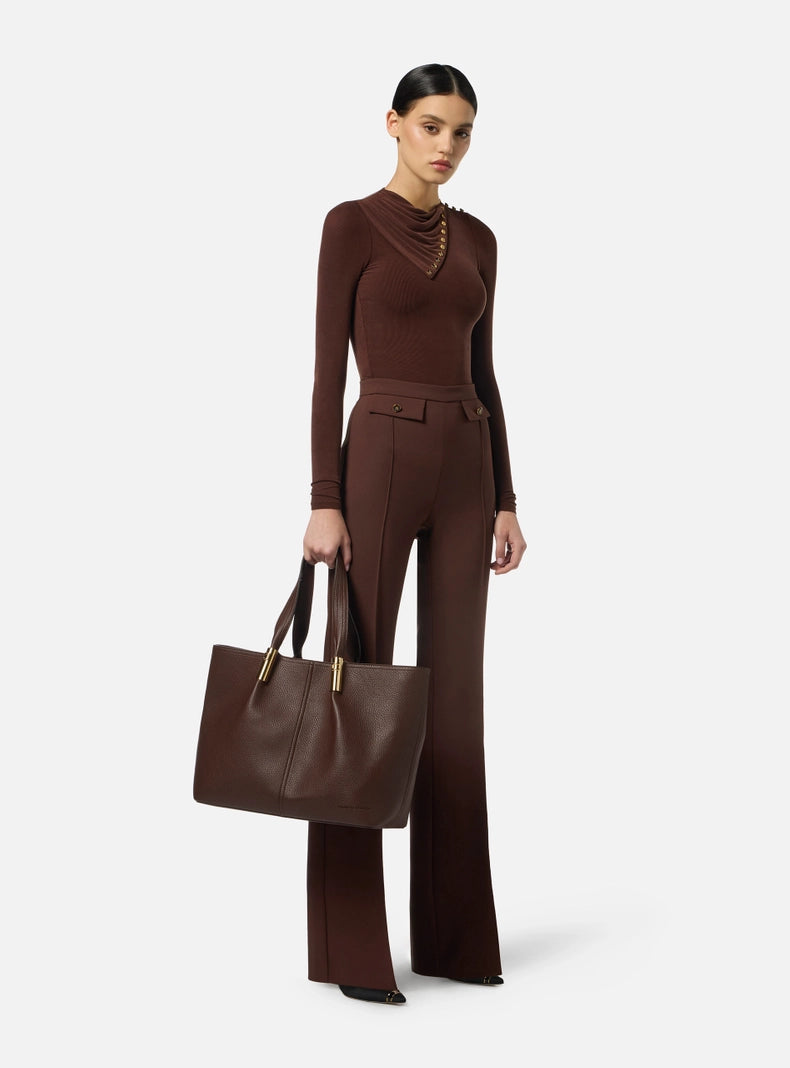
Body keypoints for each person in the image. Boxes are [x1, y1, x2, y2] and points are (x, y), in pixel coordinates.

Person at [301, 63, 527, 1006]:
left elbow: (486, 371)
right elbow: (326, 372)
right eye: (431, 125)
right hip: (381, 455)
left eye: (462, 131)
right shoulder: (350, 225)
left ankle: (456, 938)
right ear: (393, 123)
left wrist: (508, 496)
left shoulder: (479, 240)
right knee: (358, 691)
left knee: (454, 700)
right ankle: (351, 949)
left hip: (468, 464)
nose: (447, 146)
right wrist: (324, 496)